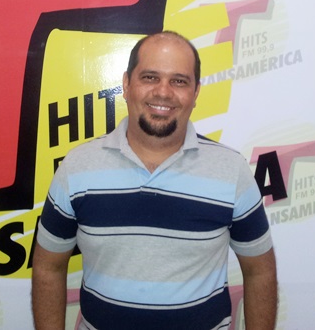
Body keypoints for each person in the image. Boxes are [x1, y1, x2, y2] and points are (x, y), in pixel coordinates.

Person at [32, 31, 277, 329]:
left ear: (196, 92)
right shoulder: (77, 167)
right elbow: (48, 268)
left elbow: (260, 271)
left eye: (179, 81)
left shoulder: (231, 170)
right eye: (150, 77)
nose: (163, 92)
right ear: (126, 84)